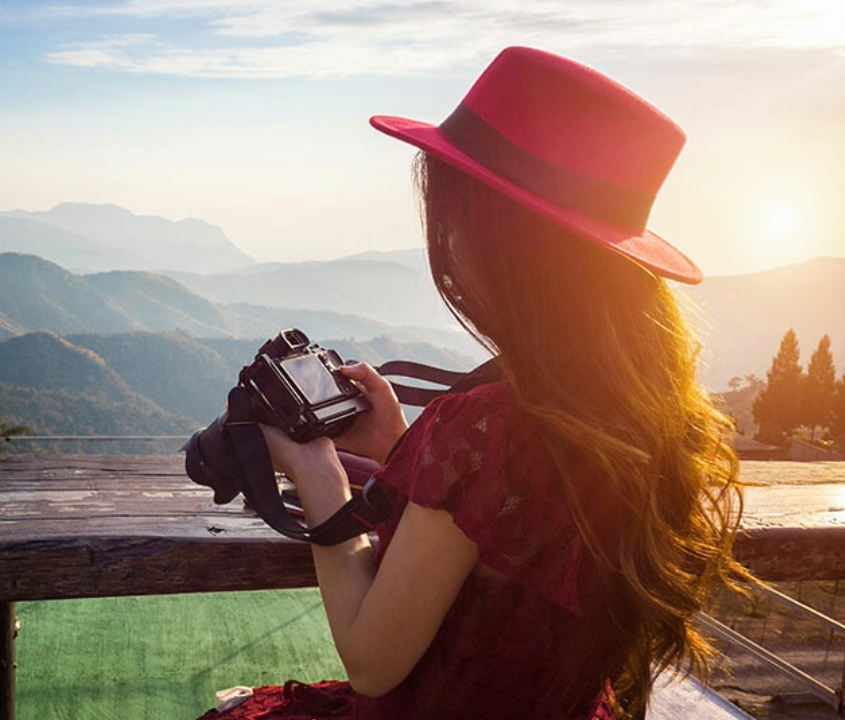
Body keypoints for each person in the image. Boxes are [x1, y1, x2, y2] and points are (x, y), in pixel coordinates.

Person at [200, 47, 748, 720]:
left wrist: (316, 474)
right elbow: (512, 552)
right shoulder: (643, 422)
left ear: (494, 236)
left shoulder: (487, 428)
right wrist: (409, 450)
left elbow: (373, 662)